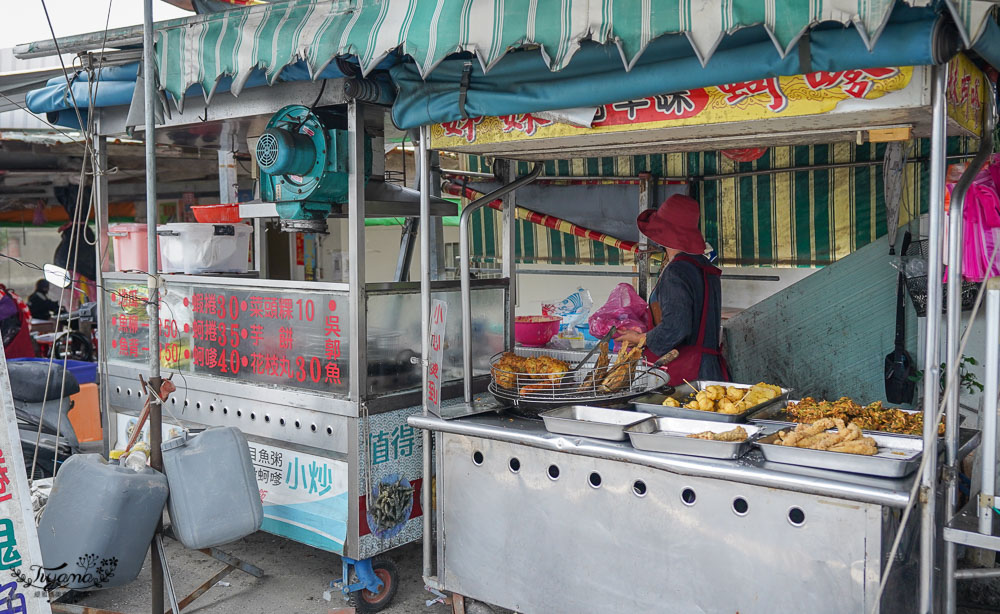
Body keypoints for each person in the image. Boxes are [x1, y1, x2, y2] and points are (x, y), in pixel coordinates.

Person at [615, 194, 726, 383]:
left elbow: (677, 327)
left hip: (687, 373)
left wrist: (641, 338)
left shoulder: (676, 271)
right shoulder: (705, 267)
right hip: (711, 369)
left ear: (662, 234)